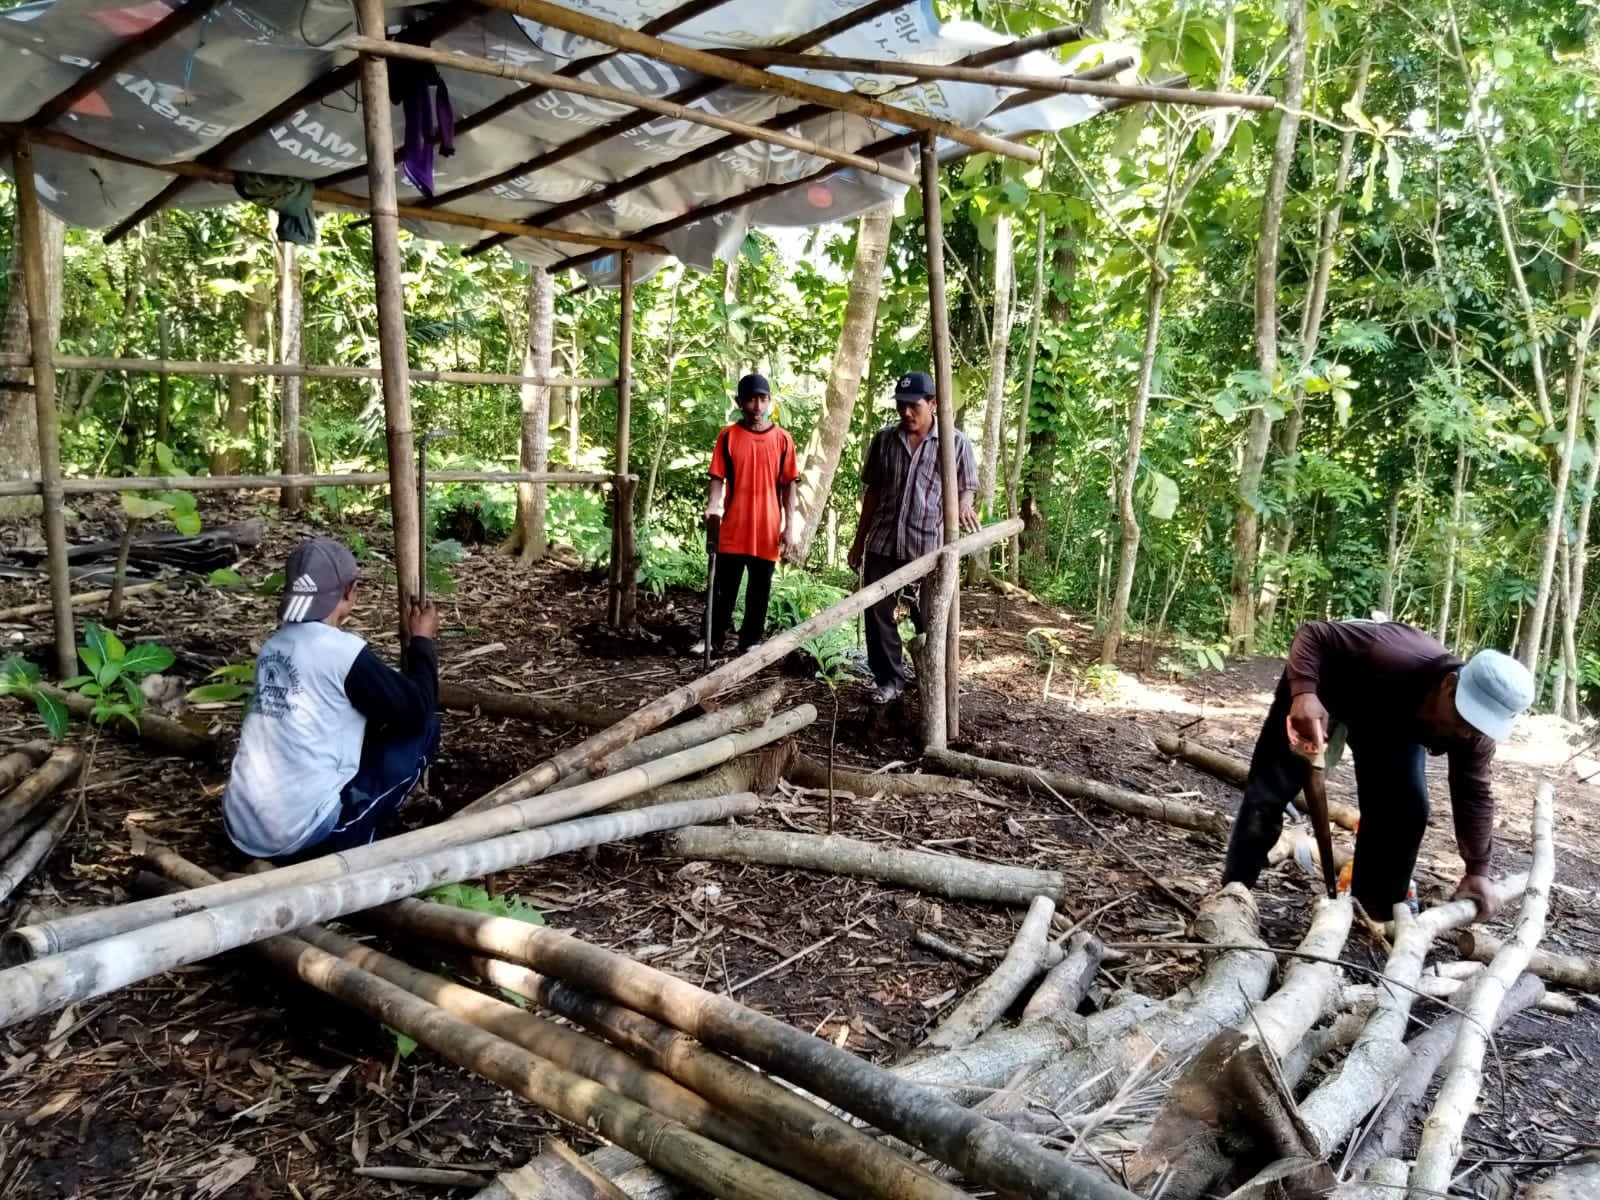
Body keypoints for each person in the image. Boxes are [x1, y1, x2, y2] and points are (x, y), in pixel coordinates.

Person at [1221, 619, 1534, 920]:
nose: (1465, 733)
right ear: (1449, 685)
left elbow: (1474, 795)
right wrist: (1304, 693)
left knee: (1406, 811)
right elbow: (1313, 634)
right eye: (1463, 719)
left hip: (1391, 726)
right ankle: (1234, 893)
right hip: (1327, 687)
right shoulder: (1391, 652)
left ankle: (1372, 913)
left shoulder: (1475, 737)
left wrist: (1477, 870)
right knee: (1270, 790)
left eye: (1477, 728)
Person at [222, 537, 442, 861]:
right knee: (424, 728)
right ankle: (360, 836)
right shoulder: (341, 653)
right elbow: (417, 707)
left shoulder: (272, 648)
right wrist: (422, 641)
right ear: (349, 591)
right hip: (301, 836)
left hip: (241, 830)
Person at [846, 370, 980, 704]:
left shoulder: (955, 442)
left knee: (930, 620)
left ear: (933, 403)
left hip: (928, 550)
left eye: (914, 406)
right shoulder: (884, 440)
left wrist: (964, 505)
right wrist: (859, 541)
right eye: (901, 405)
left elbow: (967, 488)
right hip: (883, 543)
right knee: (878, 615)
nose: (906, 413)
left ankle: (933, 684)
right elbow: (873, 494)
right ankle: (889, 681)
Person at [695, 372, 800, 657]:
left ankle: (750, 640)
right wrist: (713, 505)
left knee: (760, 588)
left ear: (770, 402)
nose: (757, 406)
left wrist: (790, 527)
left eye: (762, 399)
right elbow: (716, 477)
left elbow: (789, 485)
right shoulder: (728, 436)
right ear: (740, 401)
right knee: (723, 587)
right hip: (733, 524)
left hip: (767, 526)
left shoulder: (783, 440)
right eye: (751, 399)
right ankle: (712, 638)